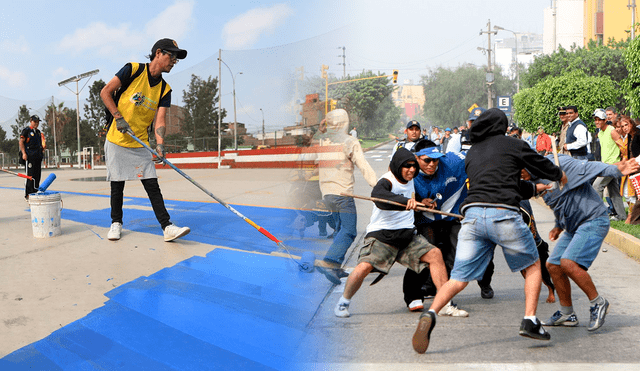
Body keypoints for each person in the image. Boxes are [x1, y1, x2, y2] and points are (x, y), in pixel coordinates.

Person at [411, 108, 566, 354]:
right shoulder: (511, 144)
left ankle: (431, 313)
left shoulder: (473, 152)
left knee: (459, 278)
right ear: (501, 126)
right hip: (503, 213)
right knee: (533, 265)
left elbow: (502, 183)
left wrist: (535, 189)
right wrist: (559, 175)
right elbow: (539, 163)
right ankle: (530, 320)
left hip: (471, 217)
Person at [334, 148, 466, 318]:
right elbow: (379, 196)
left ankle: (444, 304)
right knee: (363, 267)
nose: (411, 170)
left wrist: (421, 201)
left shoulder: (410, 179)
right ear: (397, 166)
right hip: (382, 236)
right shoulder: (387, 180)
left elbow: (412, 196)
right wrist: (405, 202)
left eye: (413, 166)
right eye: (407, 166)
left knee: (435, 255)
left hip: (407, 236)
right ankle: (343, 302)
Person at [528, 154, 639, 331]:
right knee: (553, 265)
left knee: (568, 263)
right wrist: (558, 225)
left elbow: (593, 167)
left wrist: (618, 170)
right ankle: (567, 314)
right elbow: (557, 203)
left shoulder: (559, 163)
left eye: (518, 171)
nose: (518, 176)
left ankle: (598, 302)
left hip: (593, 220)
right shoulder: (534, 180)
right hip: (573, 227)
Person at [100, 38, 191, 242]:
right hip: (117, 137)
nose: (174, 60)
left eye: (177, 58)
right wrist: (118, 117)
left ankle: (167, 226)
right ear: (158, 53)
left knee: (151, 184)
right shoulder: (132, 70)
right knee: (117, 183)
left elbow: (159, 120)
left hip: (139, 142)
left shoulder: (164, 90)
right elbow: (105, 92)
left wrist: (159, 144)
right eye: (171, 55)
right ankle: (116, 223)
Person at [402, 140, 486, 313]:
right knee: (425, 253)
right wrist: (418, 201)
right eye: (427, 160)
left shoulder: (455, 161)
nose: (432, 164)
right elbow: (395, 191)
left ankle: (441, 291)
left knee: (457, 256)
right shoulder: (409, 171)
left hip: (453, 216)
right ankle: (412, 294)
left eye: (436, 160)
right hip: (426, 219)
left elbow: (480, 160)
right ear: (416, 159)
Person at [315, 109, 378, 283]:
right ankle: (330, 262)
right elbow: (362, 164)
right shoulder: (349, 141)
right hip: (343, 194)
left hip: (327, 194)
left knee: (340, 229)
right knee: (349, 231)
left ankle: (336, 267)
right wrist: (377, 185)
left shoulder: (323, 140)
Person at [592, 109, 626, 222]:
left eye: (599, 120)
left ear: (605, 120)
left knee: (597, 186)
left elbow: (622, 145)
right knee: (614, 191)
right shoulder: (600, 132)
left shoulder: (611, 130)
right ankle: (622, 216)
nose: (597, 122)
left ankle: (599, 215)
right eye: (595, 120)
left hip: (612, 165)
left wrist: (622, 160)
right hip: (605, 165)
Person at [19, 115, 46, 201]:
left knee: (37, 175)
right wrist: (24, 153)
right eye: (35, 121)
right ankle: (28, 194)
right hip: (29, 156)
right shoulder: (27, 130)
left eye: (38, 122)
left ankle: (35, 191)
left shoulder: (38, 132)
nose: (36, 123)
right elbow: (21, 142)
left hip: (37, 156)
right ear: (31, 121)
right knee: (30, 176)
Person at [619, 115, 640, 224]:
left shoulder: (638, 134)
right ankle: (631, 217)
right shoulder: (629, 136)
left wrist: (636, 161)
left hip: (637, 167)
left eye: (626, 125)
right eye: (622, 126)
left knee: (636, 194)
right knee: (628, 193)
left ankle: (632, 218)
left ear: (631, 123)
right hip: (632, 167)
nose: (625, 128)